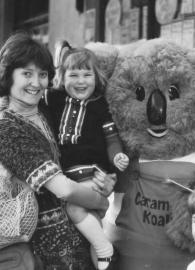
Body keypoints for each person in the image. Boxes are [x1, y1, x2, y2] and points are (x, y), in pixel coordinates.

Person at [0, 32, 116, 270]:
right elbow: (62, 188)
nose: (36, 83)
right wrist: (101, 201)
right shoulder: (7, 126)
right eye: (27, 74)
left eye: (42, 74)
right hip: (42, 247)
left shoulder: (46, 110)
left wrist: (104, 181)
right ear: (8, 75)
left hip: (80, 232)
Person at [42, 40, 129, 270]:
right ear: (62, 77)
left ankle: (104, 249)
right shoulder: (54, 99)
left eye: (86, 75)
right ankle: (103, 260)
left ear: (96, 77)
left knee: (75, 208)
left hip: (93, 174)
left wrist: (117, 156)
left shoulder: (101, 106)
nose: (80, 81)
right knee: (92, 224)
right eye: (73, 75)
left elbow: (111, 140)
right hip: (68, 175)